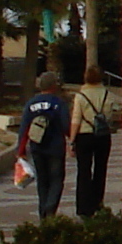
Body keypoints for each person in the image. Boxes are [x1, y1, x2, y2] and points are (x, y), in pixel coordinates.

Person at [18, 71, 72, 219]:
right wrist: (73, 141)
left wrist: (20, 150)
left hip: (37, 148)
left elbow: (24, 129)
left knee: (42, 181)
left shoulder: (31, 104)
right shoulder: (59, 103)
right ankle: (50, 208)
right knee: (56, 179)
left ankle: (43, 212)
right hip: (55, 148)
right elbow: (66, 126)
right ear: (54, 86)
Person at [69, 63, 120, 215]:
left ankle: (84, 207)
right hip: (103, 136)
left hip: (84, 135)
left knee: (83, 171)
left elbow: (76, 120)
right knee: (100, 169)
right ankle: (97, 203)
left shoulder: (80, 96)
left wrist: (72, 140)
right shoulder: (108, 95)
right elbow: (117, 110)